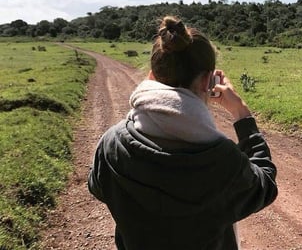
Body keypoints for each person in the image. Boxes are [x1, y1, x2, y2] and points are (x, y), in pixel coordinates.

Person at [88, 15, 278, 250]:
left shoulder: (111, 144)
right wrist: (242, 114)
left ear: (151, 76)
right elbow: (265, 185)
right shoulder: (223, 159)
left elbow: (97, 186)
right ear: (209, 81)